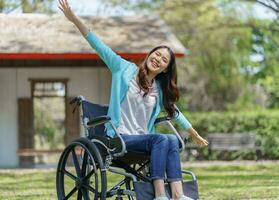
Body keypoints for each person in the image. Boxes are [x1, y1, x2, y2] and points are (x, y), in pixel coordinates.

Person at [58, 0, 209, 199]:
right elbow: (98, 44)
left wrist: (194, 133)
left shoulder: (159, 89)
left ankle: (178, 195)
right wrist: (74, 19)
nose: (158, 59)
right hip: (119, 138)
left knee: (172, 139)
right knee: (161, 139)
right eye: (157, 54)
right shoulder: (123, 69)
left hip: (142, 140)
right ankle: (159, 194)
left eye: (164, 60)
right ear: (149, 54)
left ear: (165, 69)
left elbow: (175, 113)